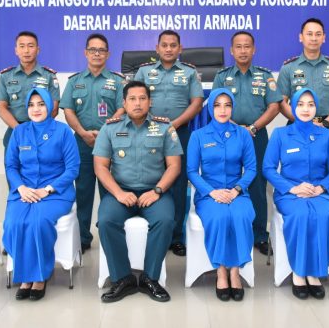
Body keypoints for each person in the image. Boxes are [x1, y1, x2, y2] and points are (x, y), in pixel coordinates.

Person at [93, 81, 182, 303]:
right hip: (121, 192)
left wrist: (157, 191)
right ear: (124, 103)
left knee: (165, 221)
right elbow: (100, 167)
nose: (138, 103)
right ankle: (122, 279)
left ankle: (150, 278)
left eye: (142, 98)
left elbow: (174, 166)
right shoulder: (110, 128)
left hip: (155, 192)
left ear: (150, 102)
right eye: (132, 99)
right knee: (106, 221)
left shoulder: (164, 128)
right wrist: (119, 194)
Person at [262, 88, 329, 300]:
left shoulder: (326, 135)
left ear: (316, 108)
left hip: (319, 192)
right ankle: (299, 272)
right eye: (300, 104)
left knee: (324, 216)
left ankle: (314, 273)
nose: (306, 109)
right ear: (292, 107)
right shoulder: (280, 134)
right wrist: (292, 188)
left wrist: (321, 187)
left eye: (310, 104)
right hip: (289, 193)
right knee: (300, 216)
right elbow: (268, 168)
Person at [3, 87, 79, 301]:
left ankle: (39, 277)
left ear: (50, 106)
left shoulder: (63, 131)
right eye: (31, 105)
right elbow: (11, 166)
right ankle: (25, 276)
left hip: (55, 192)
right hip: (24, 190)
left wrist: (47, 189)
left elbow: (72, 169)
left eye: (41, 104)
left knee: (38, 222)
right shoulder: (19, 131)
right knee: (13, 223)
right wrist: (21, 188)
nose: (35, 109)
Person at [133, 30, 204, 256]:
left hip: (178, 133)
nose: (169, 49)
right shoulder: (144, 71)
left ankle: (176, 236)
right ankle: (155, 232)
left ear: (180, 49)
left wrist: (173, 124)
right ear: (157, 48)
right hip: (148, 132)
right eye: (164, 45)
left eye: (173, 45)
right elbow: (135, 100)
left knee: (179, 184)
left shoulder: (189, 72)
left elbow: (197, 103)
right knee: (150, 178)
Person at [212, 31, 281, 256]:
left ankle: (259, 234)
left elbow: (274, 107)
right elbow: (215, 106)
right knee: (227, 179)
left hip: (256, 135)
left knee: (257, 184)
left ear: (254, 49)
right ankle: (232, 229)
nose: (243, 51)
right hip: (226, 135)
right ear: (232, 51)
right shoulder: (222, 77)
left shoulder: (265, 76)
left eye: (247, 46)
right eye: (238, 47)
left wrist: (252, 128)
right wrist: (236, 128)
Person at [186, 88, 256, 302]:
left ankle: (235, 271)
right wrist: (212, 192)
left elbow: (251, 169)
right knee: (219, 217)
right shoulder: (198, 136)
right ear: (210, 108)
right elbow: (191, 171)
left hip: (237, 192)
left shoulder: (243, 134)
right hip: (209, 194)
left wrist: (236, 190)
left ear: (232, 108)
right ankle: (221, 271)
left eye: (227, 105)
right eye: (217, 105)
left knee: (241, 216)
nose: (222, 110)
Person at [59, 33, 125, 254]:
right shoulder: (74, 81)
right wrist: (82, 132)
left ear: (108, 54)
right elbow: (68, 110)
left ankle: (109, 233)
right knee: (83, 191)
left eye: (101, 50)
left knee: (110, 190)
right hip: (82, 142)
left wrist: (104, 133)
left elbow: (122, 108)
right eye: (93, 50)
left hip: (111, 143)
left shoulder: (117, 81)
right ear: (86, 53)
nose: (97, 54)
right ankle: (83, 237)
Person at [277, 18, 329, 139]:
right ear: (301, 37)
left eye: (318, 34)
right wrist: (302, 121)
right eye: (309, 34)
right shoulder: (288, 67)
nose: (314, 38)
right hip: (297, 127)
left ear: (324, 37)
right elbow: (281, 103)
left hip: (327, 127)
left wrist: (325, 123)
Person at [0, 30, 60, 149]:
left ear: (38, 50)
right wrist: (19, 130)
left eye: (31, 46)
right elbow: (1, 108)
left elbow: (54, 108)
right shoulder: (6, 76)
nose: (26, 50)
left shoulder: (49, 76)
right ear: (16, 50)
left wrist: (37, 129)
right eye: (22, 46)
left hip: (41, 130)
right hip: (15, 129)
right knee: (12, 161)